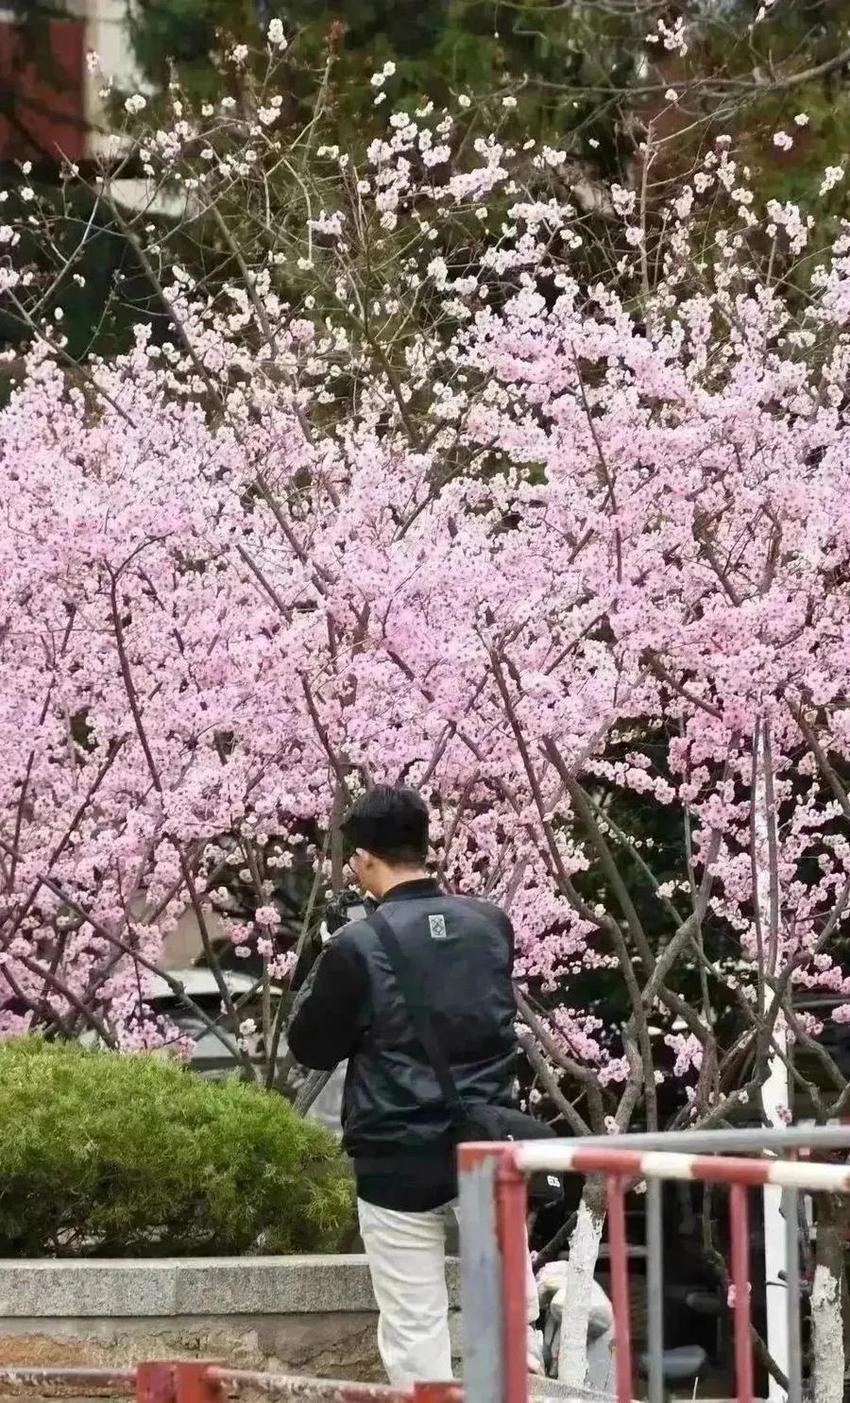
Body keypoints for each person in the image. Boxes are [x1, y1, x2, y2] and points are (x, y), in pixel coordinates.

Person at [288, 784, 542, 1387]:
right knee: (506, 1311)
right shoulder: (490, 925)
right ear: (424, 845)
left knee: (413, 1325)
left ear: (364, 860)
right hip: (486, 1143)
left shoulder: (357, 945)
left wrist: (321, 966)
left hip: (396, 1151)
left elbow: (312, 1046)